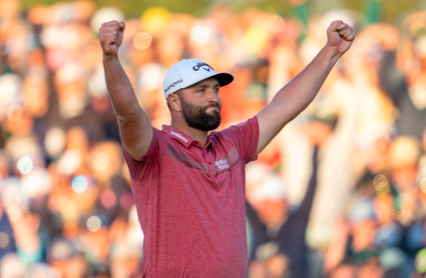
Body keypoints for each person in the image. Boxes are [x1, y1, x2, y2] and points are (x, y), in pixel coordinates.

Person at [99, 19, 355, 277]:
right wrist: (111, 58)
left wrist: (331, 51)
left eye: (215, 89)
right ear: (174, 101)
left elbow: (284, 107)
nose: (213, 97)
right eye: (200, 90)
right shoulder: (154, 149)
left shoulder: (232, 144)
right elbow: (128, 114)